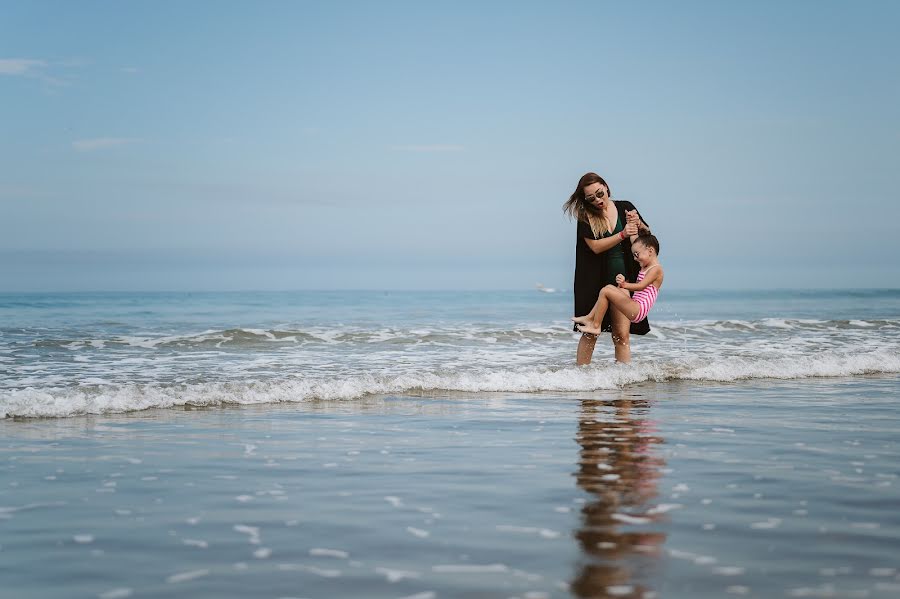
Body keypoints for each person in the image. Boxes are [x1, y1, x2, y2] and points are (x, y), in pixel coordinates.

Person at [563, 173, 651, 365]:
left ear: (606, 187)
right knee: (590, 332)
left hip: (623, 282)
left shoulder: (625, 207)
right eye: (591, 198)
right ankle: (582, 378)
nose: (597, 200)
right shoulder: (585, 216)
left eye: (599, 193)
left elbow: (646, 237)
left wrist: (638, 223)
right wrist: (622, 234)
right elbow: (594, 247)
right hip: (593, 281)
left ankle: (624, 382)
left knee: (621, 335)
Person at [572, 234, 663, 335]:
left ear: (650, 251)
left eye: (636, 254)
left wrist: (624, 285)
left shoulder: (656, 269)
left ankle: (596, 326)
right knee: (607, 289)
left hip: (638, 309)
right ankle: (590, 318)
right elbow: (635, 242)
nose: (634, 259)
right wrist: (631, 221)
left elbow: (641, 286)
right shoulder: (646, 266)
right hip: (634, 305)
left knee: (606, 290)